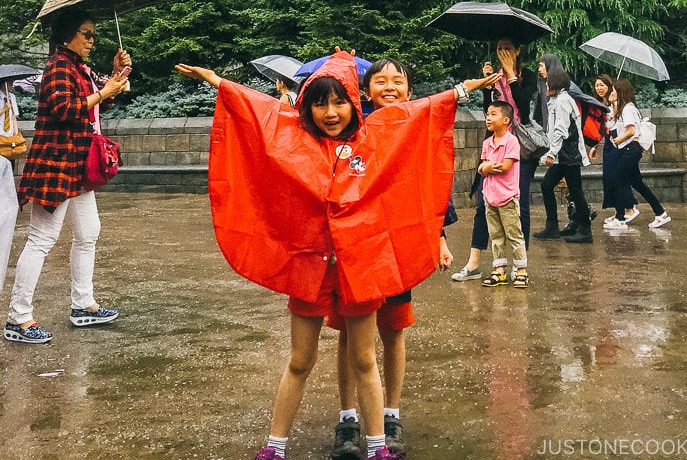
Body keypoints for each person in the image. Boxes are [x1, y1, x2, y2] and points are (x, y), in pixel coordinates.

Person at [177, 50, 496, 460]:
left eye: (340, 101)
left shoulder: (376, 134)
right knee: (299, 361)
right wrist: (216, 81)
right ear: (308, 106)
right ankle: (275, 447)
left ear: (354, 103)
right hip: (310, 269)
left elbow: (420, 113)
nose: (331, 112)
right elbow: (260, 111)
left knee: (364, 358)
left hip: (361, 267)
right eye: (320, 102)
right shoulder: (297, 137)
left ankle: (378, 446)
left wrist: (463, 88)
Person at [328, 58, 456, 460]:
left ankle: (391, 414)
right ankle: (348, 418)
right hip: (354, 248)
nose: (388, 86)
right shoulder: (353, 130)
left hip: (398, 245)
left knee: (394, 332)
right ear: (365, 93)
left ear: (409, 90)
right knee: (350, 334)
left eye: (397, 80)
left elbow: (433, 181)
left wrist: (440, 236)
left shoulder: (418, 128)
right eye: (379, 81)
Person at [4, 11, 132, 344]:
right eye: (86, 34)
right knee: (41, 240)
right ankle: (18, 319)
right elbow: (68, 108)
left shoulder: (77, 66)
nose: (91, 40)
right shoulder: (58, 66)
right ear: (67, 35)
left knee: (89, 232)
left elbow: (98, 98)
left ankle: (83, 304)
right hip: (56, 164)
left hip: (75, 165)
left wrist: (117, 74)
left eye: (94, 35)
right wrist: (105, 92)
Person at [451, 37, 537, 281]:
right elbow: (490, 110)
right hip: (494, 144)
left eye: (508, 48)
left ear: (518, 50)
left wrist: (510, 74)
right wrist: (488, 86)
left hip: (520, 147)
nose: (503, 53)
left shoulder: (528, 76)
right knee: (483, 204)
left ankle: (520, 265)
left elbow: (523, 106)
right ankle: (474, 262)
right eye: (499, 49)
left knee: (520, 207)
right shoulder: (494, 77)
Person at [533, 68, 593, 244]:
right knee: (547, 185)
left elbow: (560, 130)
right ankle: (553, 226)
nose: (545, 86)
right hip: (564, 155)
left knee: (576, 191)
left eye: (548, 82)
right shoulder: (558, 100)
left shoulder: (562, 102)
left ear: (556, 83)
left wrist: (551, 153)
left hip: (569, 154)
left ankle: (585, 229)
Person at [605, 79, 671, 231]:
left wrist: (618, 140)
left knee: (619, 181)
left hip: (630, 149)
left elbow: (631, 130)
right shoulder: (622, 109)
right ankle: (660, 213)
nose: (611, 93)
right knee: (637, 183)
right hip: (630, 150)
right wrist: (613, 109)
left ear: (621, 92)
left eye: (614, 90)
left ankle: (620, 219)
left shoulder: (628, 109)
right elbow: (611, 126)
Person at [479, 100, 529, 287]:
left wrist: (487, 167)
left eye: (493, 114)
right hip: (489, 195)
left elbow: (505, 167)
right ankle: (499, 271)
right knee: (496, 235)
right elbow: (481, 168)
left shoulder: (511, 141)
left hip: (507, 196)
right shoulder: (487, 143)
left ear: (506, 120)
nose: (488, 118)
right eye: (488, 114)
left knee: (514, 234)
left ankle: (521, 270)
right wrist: (489, 167)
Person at [592, 73, 638, 230]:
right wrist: (595, 145)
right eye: (597, 85)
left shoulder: (618, 103)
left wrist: (614, 105)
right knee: (610, 177)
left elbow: (623, 125)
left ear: (610, 86)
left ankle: (628, 209)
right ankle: (621, 210)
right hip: (610, 141)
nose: (599, 88)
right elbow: (603, 127)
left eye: (602, 85)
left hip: (621, 142)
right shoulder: (600, 104)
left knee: (618, 177)